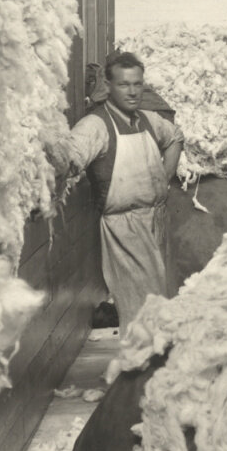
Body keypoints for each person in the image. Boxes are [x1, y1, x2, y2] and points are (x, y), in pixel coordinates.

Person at [70, 50, 184, 325]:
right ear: (108, 87)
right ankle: (139, 362)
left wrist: (166, 176)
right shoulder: (95, 126)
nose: (132, 92)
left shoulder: (148, 119)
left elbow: (175, 138)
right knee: (141, 310)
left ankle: (156, 360)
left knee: (163, 303)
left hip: (157, 220)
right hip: (125, 228)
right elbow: (71, 157)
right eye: (124, 84)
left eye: (137, 84)